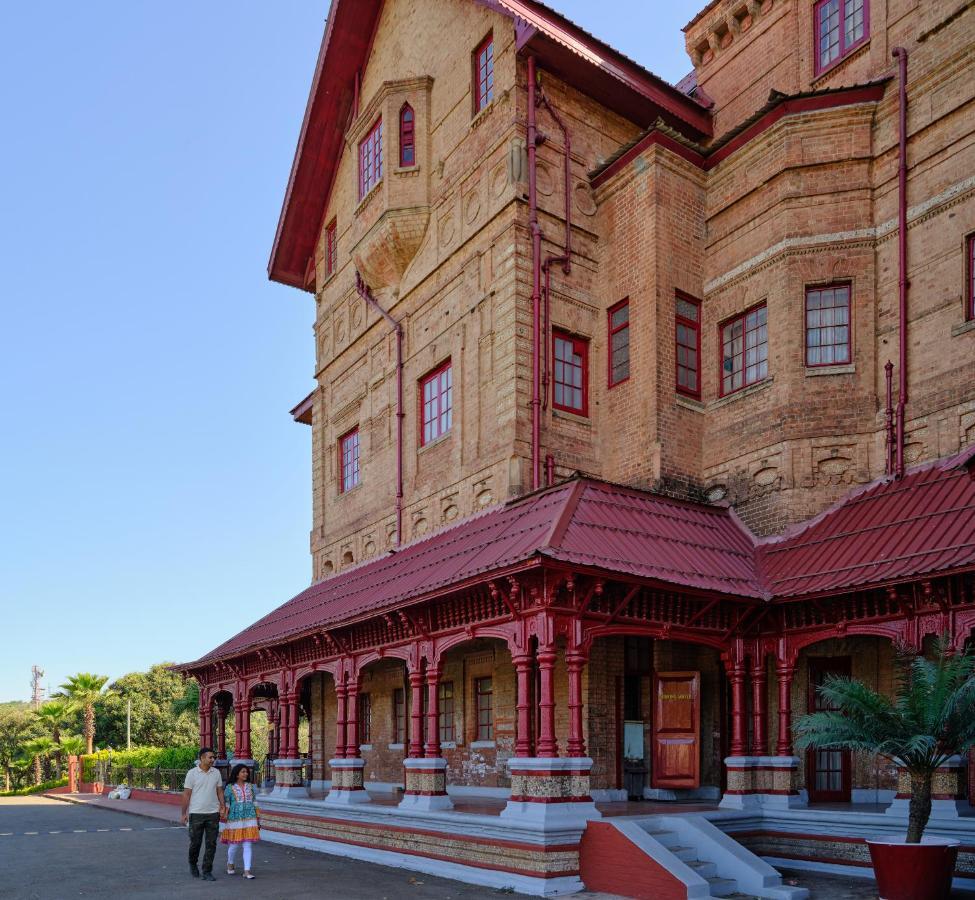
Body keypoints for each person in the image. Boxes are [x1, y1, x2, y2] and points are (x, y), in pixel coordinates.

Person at [180, 747, 226, 881]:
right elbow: (186, 794)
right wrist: (184, 813)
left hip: (213, 813)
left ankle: (207, 870)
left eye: (213, 757)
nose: (212, 760)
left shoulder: (216, 773)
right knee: (195, 843)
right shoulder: (192, 773)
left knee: (211, 844)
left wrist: (222, 806)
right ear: (202, 758)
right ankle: (193, 863)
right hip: (196, 813)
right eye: (210, 757)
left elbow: (219, 791)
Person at [221, 763, 261, 879]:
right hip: (235, 818)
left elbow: (255, 802)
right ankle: (230, 863)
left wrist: (258, 818)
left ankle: (247, 871)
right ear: (237, 774)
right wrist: (225, 815)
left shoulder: (251, 786)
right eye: (243, 772)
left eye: (246, 772)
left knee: (247, 845)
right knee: (234, 845)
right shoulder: (229, 787)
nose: (246, 774)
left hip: (250, 817)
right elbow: (227, 803)